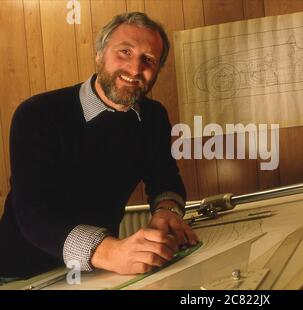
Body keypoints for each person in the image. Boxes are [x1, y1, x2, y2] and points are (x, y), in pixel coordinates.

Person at [0, 12, 198, 282]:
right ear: (99, 54)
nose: (135, 69)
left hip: (99, 273)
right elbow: (33, 215)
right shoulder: (38, 113)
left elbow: (164, 177)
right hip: (23, 273)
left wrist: (166, 211)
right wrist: (110, 252)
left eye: (148, 60)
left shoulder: (153, 116)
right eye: (125, 51)